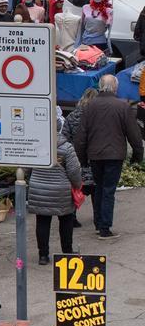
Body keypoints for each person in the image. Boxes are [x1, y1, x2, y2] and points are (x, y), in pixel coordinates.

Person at [72, 73, 143, 239]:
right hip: (114, 155)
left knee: (99, 187)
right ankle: (104, 228)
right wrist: (137, 156)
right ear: (115, 87)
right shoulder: (122, 107)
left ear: (100, 87)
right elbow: (134, 135)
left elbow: (81, 135)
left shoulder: (89, 107)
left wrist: (81, 158)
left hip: (95, 155)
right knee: (108, 190)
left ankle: (99, 223)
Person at [27, 125, 82, 265]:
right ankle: (67, 253)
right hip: (61, 190)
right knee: (66, 220)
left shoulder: (34, 144)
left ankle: (43, 255)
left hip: (38, 188)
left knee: (42, 222)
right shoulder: (67, 147)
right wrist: (77, 185)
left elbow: (27, 167)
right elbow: (74, 171)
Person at [63, 88, 99, 228]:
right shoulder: (97, 117)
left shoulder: (72, 116)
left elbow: (65, 136)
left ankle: (72, 218)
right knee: (97, 191)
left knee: (75, 189)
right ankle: (98, 219)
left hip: (76, 159)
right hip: (93, 158)